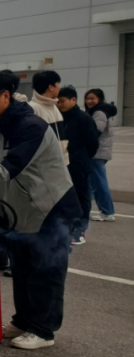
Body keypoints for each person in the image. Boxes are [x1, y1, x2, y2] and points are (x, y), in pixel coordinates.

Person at [0, 70, 79, 350]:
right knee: (22, 271)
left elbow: (9, 168)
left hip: (50, 208)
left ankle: (43, 331)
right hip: (20, 210)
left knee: (46, 271)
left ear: (5, 96)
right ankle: (23, 321)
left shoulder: (31, 126)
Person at [56, 87, 99, 245]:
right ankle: (66, 228)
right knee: (65, 198)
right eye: (58, 101)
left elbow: (93, 143)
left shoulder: (84, 119)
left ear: (73, 100)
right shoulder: (58, 117)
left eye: (62, 101)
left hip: (79, 165)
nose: (59, 104)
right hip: (62, 166)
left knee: (81, 198)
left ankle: (80, 231)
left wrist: (82, 157)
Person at [84, 88, 116, 222]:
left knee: (99, 183)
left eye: (92, 98)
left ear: (99, 99)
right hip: (99, 152)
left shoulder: (99, 112)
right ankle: (85, 209)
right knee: (91, 184)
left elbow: (95, 132)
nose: (89, 101)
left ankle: (107, 212)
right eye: (87, 98)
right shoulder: (99, 111)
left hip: (97, 153)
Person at [28, 70, 67, 162]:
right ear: (51, 87)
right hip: (45, 164)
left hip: (59, 162)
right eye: (58, 84)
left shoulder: (53, 106)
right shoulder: (32, 109)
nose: (60, 87)